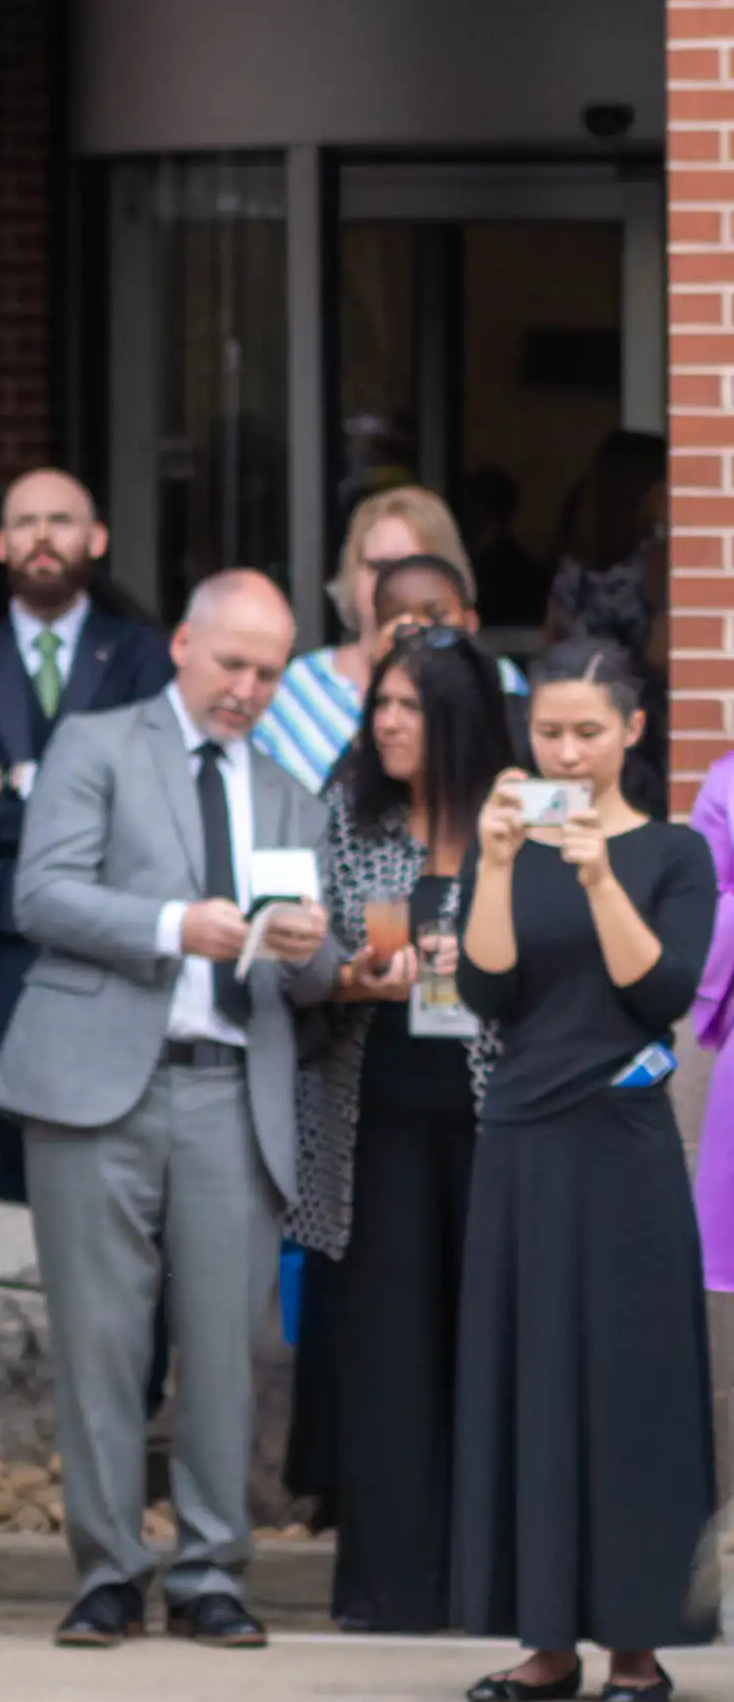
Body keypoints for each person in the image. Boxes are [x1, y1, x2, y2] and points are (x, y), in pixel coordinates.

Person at [0, 568, 334, 1649]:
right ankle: (104, 1570)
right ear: (183, 644)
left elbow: (312, 978)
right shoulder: (96, 745)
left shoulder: (290, 793)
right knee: (98, 1341)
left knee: (228, 1345)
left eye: (268, 672)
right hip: (99, 1081)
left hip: (233, 1086)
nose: (246, 687)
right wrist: (171, 924)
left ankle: (210, 1572)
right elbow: (39, 894)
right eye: (230, 662)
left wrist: (310, 946)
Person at [447, 635, 712, 1702]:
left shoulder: (674, 854)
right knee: (532, 1372)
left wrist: (601, 875)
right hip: (522, 1134)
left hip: (626, 1138)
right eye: (550, 731)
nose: (567, 749)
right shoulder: (503, 836)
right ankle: (544, 1637)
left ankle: (636, 1644)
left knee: (631, 1381)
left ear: (632, 731)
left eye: (587, 732)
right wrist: (500, 864)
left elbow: (665, 997)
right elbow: (483, 990)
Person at [290, 615, 507, 1637]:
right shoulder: (346, 817)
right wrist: (347, 974)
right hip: (371, 1121)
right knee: (386, 1356)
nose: (385, 720)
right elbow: (304, 960)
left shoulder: (519, 825)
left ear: (456, 716)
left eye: (407, 704)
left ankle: (497, 1585)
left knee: (487, 1345)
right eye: (379, 701)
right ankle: (386, 1592)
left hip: (495, 1121)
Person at [0, 465, 156, 1194]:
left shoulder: (144, 655)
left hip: (104, 933)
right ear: (0, 545)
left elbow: (141, 804)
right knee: (2, 1134)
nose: (42, 538)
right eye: (24, 523)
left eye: (61, 520)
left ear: (97, 538)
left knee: (101, 1139)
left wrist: (18, 782)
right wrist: (69, 799)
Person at [256, 482, 475, 789]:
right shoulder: (297, 687)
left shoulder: (494, 682)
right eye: (379, 567)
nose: (393, 583)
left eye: (411, 566)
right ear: (352, 574)